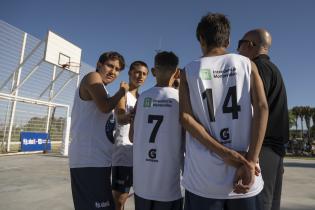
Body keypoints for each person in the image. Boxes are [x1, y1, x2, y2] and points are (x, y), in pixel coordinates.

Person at [179, 13, 269, 210]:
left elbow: (186, 119)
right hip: (246, 175)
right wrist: (250, 162)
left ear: (201, 39)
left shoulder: (188, 71)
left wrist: (226, 154)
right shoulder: (247, 64)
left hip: (203, 180)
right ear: (228, 40)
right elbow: (262, 108)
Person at [69, 51, 128, 210]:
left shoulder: (104, 90)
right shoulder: (92, 77)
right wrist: (122, 91)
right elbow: (104, 106)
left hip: (99, 161)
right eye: (110, 66)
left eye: (117, 69)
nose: (113, 72)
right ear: (99, 64)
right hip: (88, 160)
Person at [238, 29, 289, 210]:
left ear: (250, 45)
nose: (238, 50)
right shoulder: (275, 70)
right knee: (272, 202)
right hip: (276, 149)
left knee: (261, 203)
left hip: (263, 148)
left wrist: (251, 157)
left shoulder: (257, 68)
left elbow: (257, 108)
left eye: (240, 43)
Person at [130, 51, 184, 210]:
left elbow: (132, 136)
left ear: (154, 72)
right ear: (177, 72)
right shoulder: (180, 98)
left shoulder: (142, 98)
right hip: (169, 183)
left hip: (142, 182)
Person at [112, 61, 149, 210]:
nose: (140, 76)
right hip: (123, 154)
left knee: (139, 195)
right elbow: (120, 118)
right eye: (137, 72)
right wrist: (134, 114)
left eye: (144, 74)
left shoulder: (143, 98)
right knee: (120, 200)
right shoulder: (122, 94)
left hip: (139, 154)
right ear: (130, 73)